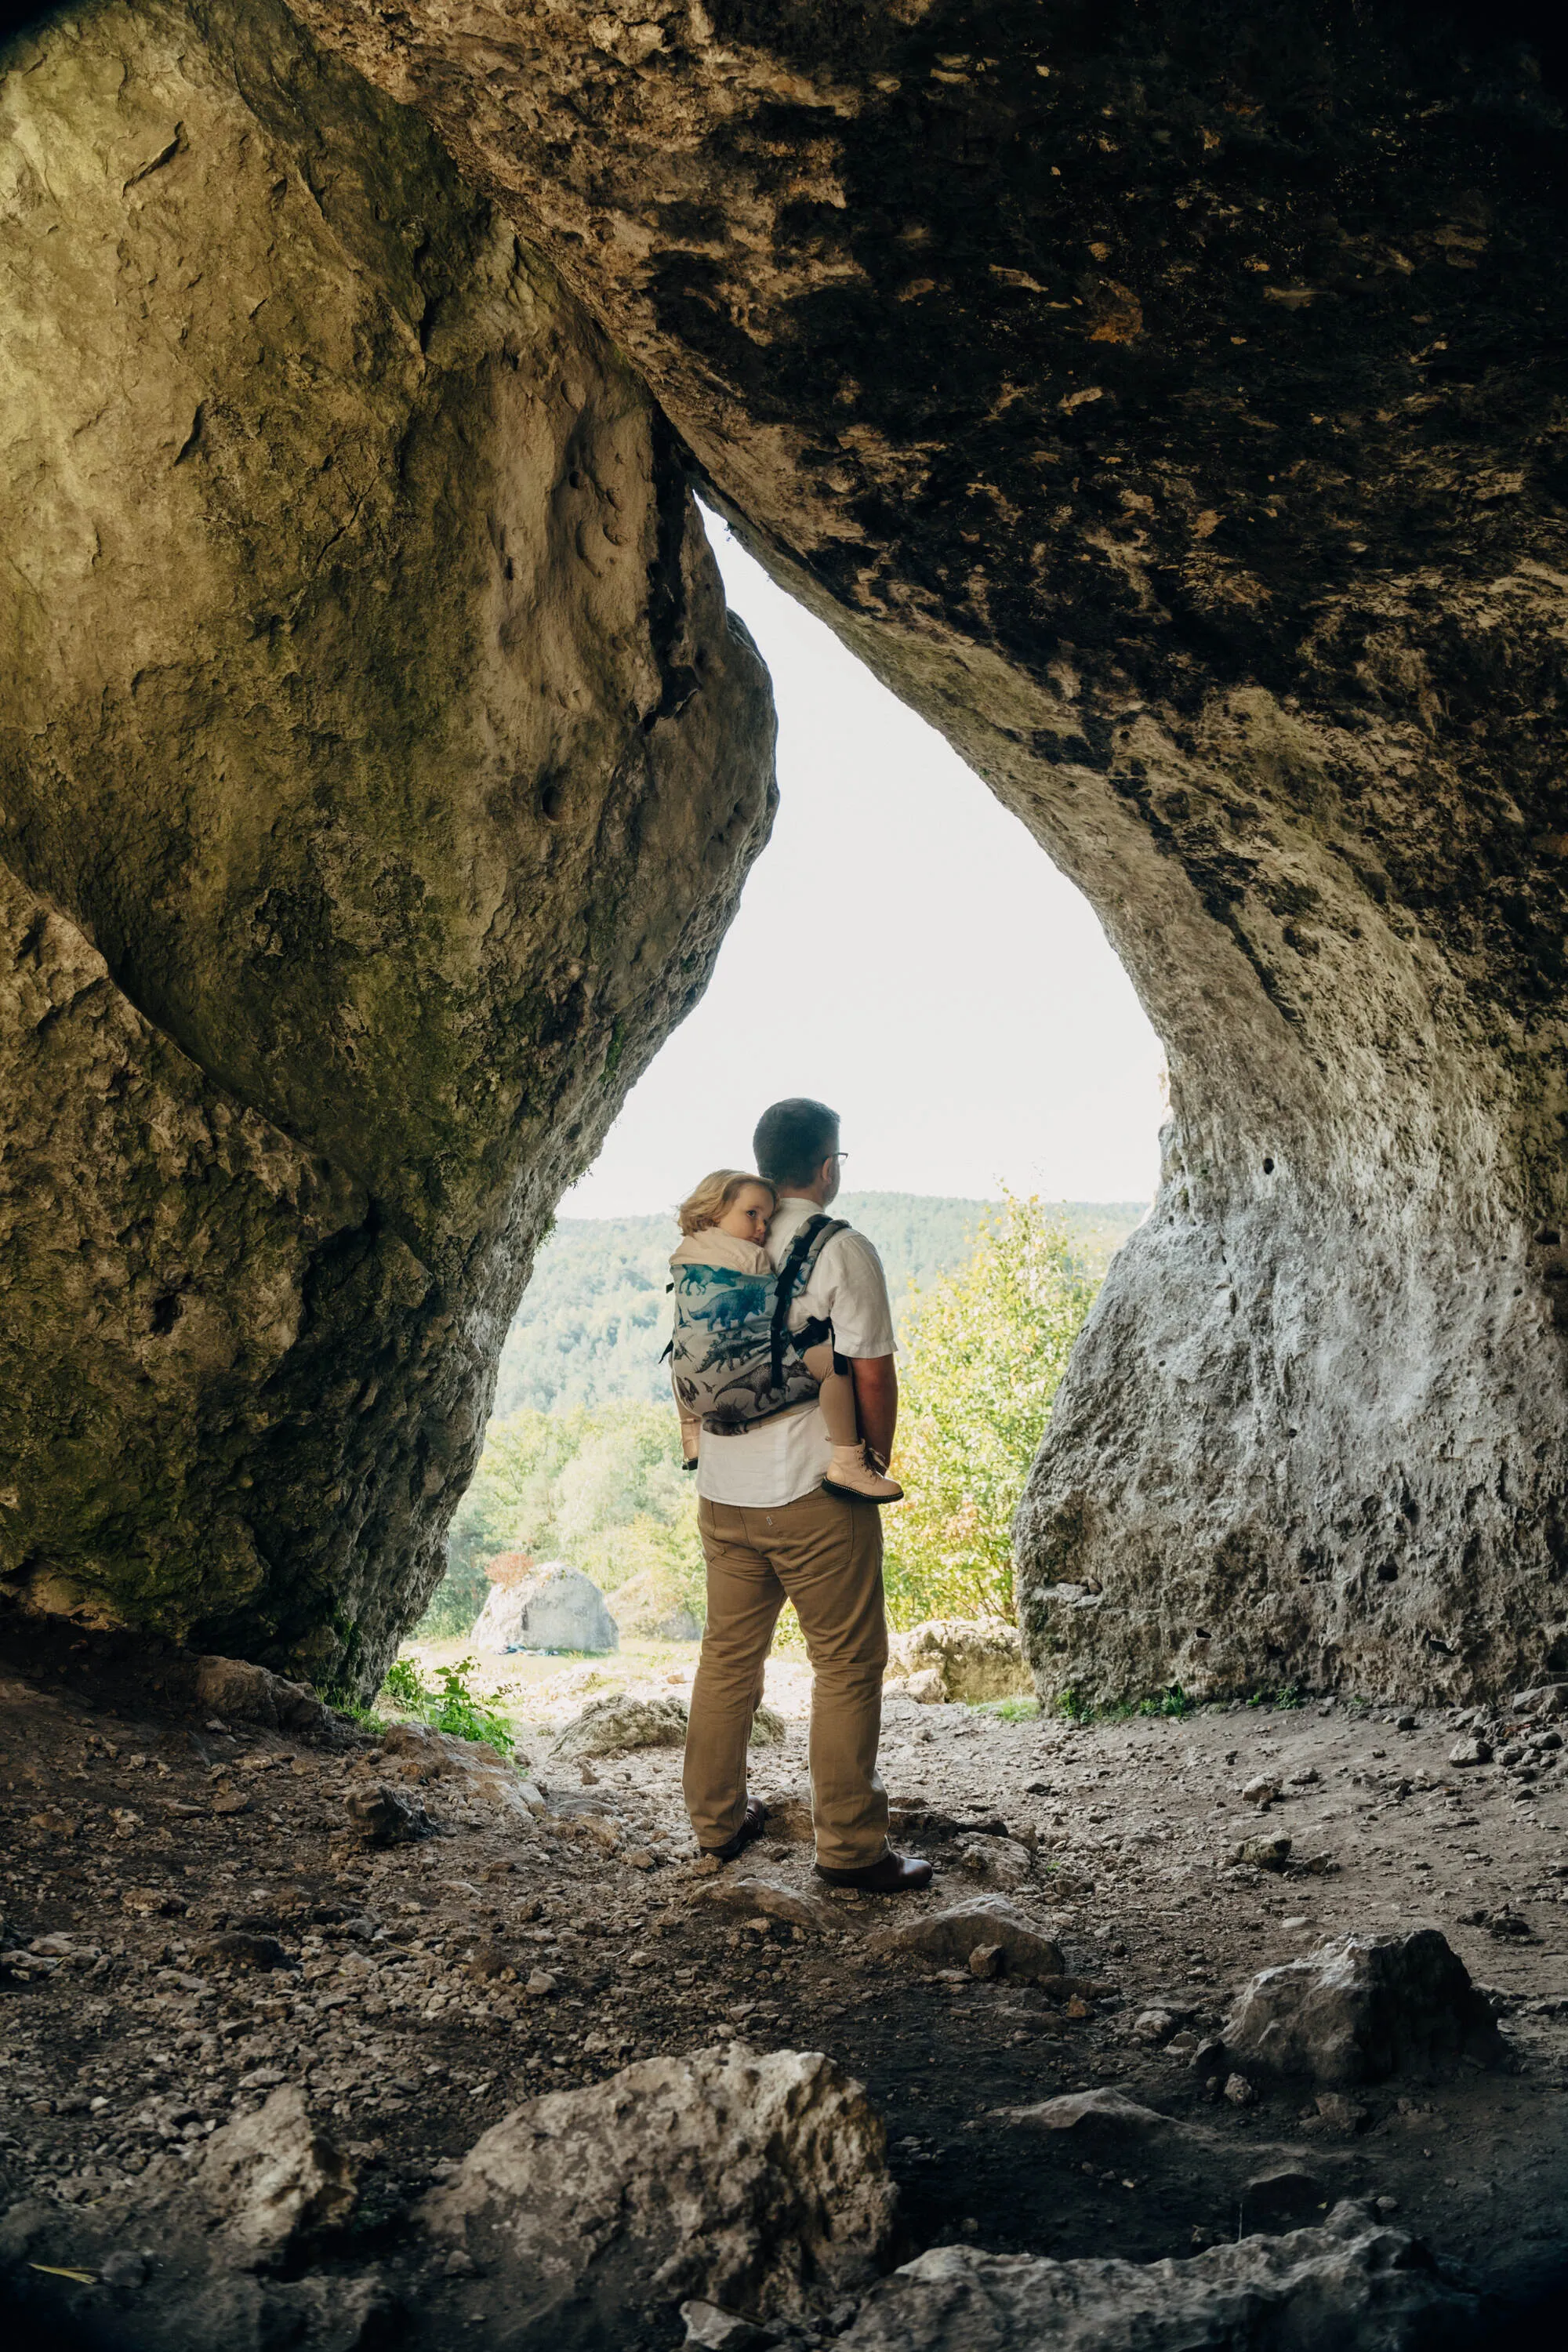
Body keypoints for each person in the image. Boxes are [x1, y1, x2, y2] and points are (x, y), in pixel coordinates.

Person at [680, 1099, 932, 1893]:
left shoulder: (713, 1244)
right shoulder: (839, 1247)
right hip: (812, 1492)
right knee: (847, 1664)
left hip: (722, 1493)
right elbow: (869, 1371)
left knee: (727, 1657)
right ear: (826, 1167)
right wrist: (868, 1463)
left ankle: (716, 1825)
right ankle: (851, 1849)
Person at [668, 1166, 903, 1504]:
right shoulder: (751, 1257)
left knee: (681, 1347)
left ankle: (690, 1436)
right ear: (714, 1211)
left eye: (767, 1218)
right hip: (752, 1376)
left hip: (693, 1398)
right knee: (831, 1365)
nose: (762, 1228)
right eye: (752, 1215)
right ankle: (848, 1463)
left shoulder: (685, 1254)